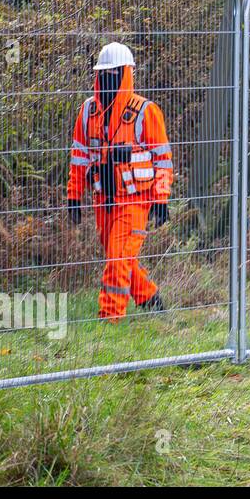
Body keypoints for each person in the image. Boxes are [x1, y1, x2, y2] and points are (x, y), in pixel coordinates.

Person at [67, 42, 173, 319]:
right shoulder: (88, 112)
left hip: (135, 202)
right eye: (104, 74)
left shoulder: (146, 112)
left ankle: (109, 318)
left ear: (126, 74)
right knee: (122, 258)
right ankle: (151, 300)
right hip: (103, 200)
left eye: (114, 74)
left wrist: (160, 199)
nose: (107, 79)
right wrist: (74, 196)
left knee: (117, 259)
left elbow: (162, 160)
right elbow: (79, 157)